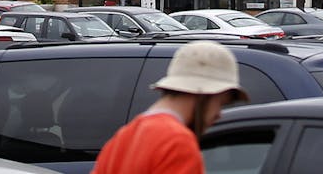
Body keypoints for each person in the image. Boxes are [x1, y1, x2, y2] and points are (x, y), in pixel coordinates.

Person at [92, 40, 248, 174]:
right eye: (221, 103)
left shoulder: (123, 137)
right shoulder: (178, 143)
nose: (219, 114)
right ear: (204, 93)